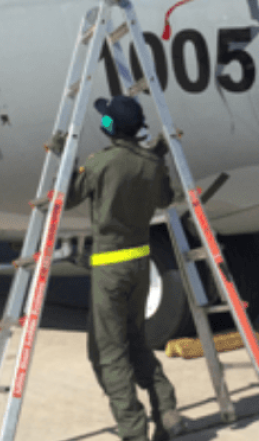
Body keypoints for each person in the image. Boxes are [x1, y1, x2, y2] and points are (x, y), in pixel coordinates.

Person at [67, 96, 187, 441]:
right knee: (135, 340)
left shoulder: (100, 164)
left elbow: (69, 197)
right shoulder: (150, 163)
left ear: (109, 128)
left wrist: (64, 157)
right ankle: (166, 407)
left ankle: (133, 429)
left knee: (107, 351)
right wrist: (158, 156)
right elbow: (165, 199)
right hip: (140, 263)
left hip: (110, 267)